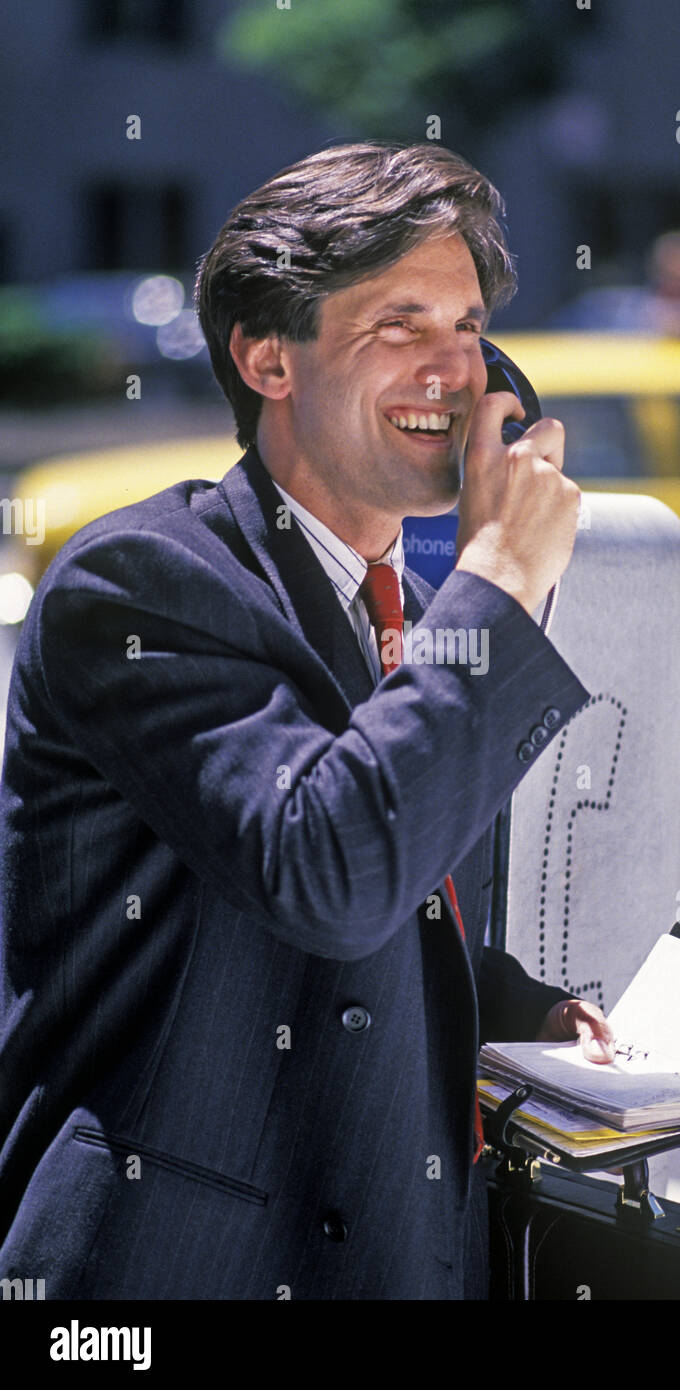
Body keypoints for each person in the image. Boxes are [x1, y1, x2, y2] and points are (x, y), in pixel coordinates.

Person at [0, 141, 614, 1301]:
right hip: (170, 1270)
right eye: (400, 325)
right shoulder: (139, 585)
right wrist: (502, 581)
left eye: (469, 324)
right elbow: (324, 871)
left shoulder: (430, 619)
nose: (459, 369)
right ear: (266, 357)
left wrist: (529, 1013)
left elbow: (401, 903)